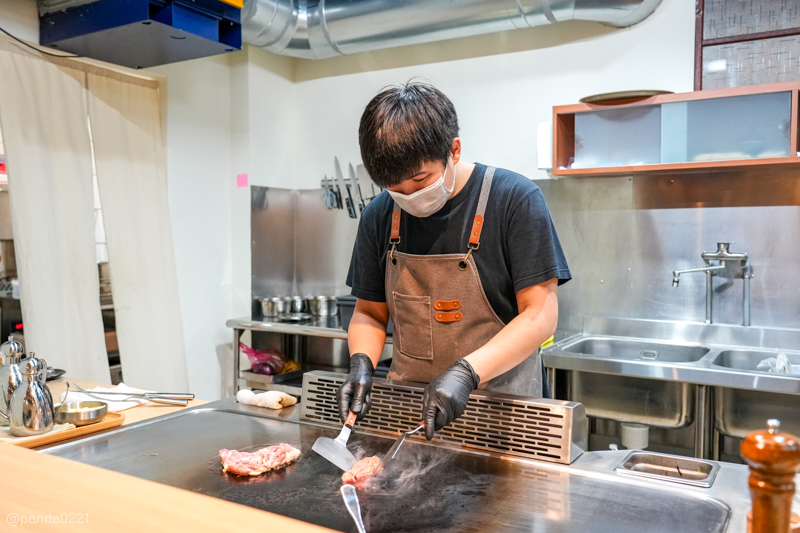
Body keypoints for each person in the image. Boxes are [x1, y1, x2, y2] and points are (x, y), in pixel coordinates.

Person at [337, 81, 571, 441]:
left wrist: (466, 372)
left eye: (421, 179)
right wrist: (361, 362)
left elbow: (540, 315)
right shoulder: (379, 215)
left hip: (503, 414)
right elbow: (369, 312)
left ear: (454, 150)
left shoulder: (515, 200)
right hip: (413, 417)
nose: (410, 196)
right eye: (396, 189)